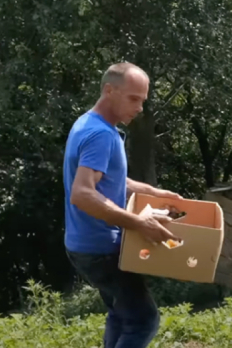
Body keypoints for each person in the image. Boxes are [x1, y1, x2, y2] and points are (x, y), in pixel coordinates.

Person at [63, 62, 182, 348]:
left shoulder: (88, 123)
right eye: (133, 98)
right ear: (109, 90)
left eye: (143, 100)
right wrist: (139, 222)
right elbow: (82, 193)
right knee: (143, 320)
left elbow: (111, 179)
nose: (140, 107)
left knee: (121, 315)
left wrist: (153, 191)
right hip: (100, 249)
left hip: (82, 245)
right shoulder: (101, 135)